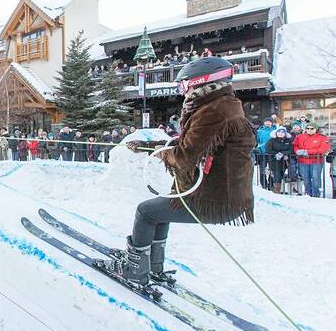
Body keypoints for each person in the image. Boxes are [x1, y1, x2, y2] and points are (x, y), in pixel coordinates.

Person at [105, 57, 256, 287]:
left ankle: (135, 269)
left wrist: (161, 153)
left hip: (214, 199)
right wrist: (152, 146)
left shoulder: (213, 111)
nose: (183, 91)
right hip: (223, 195)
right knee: (159, 210)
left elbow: (184, 157)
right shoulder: (222, 105)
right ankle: (152, 267)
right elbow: (191, 143)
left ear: (202, 83)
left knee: (145, 212)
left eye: (185, 85)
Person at [292, 124, 331, 197]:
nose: (309, 130)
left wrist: (307, 152)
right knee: (305, 179)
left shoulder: (322, 137)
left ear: (316, 129)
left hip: (316, 161)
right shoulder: (299, 137)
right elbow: (295, 145)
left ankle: (316, 195)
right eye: (308, 128)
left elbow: (323, 149)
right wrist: (297, 151)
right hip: (303, 161)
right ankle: (308, 194)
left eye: (312, 128)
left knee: (316, 178)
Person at [265, 126, 293, 194]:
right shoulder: (271, 140)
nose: (281, 133)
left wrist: (282, 154)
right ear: (276, 133)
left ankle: (278, 189)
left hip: (284, 161)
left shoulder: (288, 141)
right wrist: (276, 154)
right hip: (274, 161)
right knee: (277, 174)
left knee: (281, 174)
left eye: (282, 132)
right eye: (279, 132)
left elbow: (290, 150)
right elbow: (268, 149)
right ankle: (276, 190)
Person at [255, 118, 276, 190]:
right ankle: (263, 184)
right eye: (266, 122)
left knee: (272, 170)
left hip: (272, 153)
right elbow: (256, 141)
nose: (267, 123)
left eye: (269, 122)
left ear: (272, 123)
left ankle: (271, 184)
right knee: (262, 170)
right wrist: (256, 149)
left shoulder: (275, 131)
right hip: (262, 153)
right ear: (264, 123)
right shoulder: (259, 131)